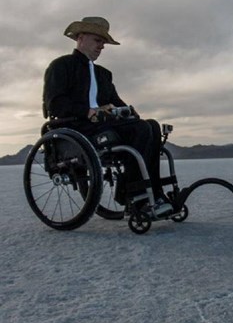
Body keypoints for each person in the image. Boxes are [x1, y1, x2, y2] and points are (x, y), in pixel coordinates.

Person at [43, 16, 173, 217]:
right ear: (81, 37)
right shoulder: (62, 66)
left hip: (105, 126)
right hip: (78, 127)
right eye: (98, 41)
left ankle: (152, 193)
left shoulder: (104, 74)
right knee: (139, 129)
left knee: (151, 126)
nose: (101, 46)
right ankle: (136, 195)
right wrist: (87, 111)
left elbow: (116, 101)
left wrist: (130, 111)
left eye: (103, 43)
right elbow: (55, 103)